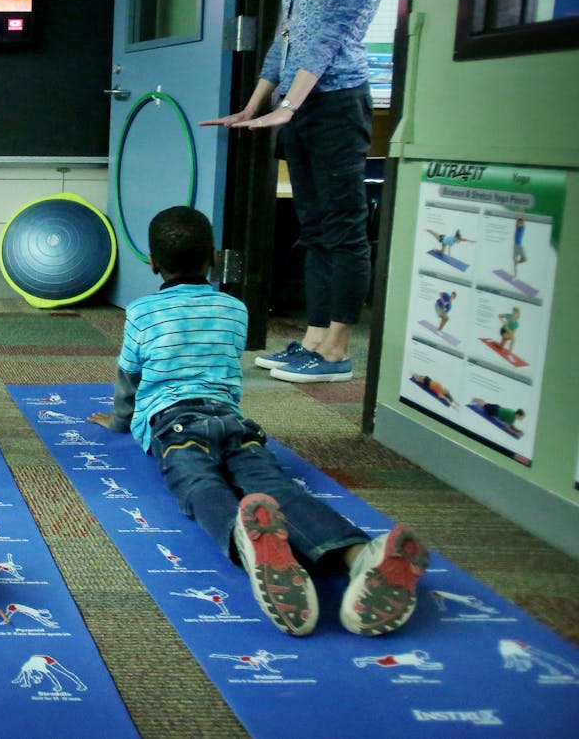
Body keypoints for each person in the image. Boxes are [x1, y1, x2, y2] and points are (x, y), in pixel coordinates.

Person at [88, 206, 428, 637]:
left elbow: (129, 378)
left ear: (152, 262)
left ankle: (251, 543)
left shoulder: (141, 313)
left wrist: (120, 421)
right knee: (277, 487)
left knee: (200, 484)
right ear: (213, 257)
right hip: (234, 422)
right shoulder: (235, 309)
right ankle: (360, 554)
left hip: (175, 424)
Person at [202, 0, 387, 385]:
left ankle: (336, 348)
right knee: (313, 226)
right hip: (299, 105)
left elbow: (330, 37)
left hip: (335, 102)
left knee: (343, 226)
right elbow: (284, 41)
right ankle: (311, 337)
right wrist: (254, 104)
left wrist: (288, 105)